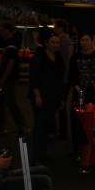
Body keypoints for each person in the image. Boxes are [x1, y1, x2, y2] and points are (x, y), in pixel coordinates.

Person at [28, 29, 66, 163]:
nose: (55, 45)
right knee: (40, 125)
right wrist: (37, 95)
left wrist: (61, 98)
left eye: (57, 43)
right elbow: (34, 78)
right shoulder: (39, 58)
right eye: (53, 42)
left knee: (48, 125)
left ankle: (42, 152)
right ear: (46, 43)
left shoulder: (59, 58)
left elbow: (60, 80)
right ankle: (36, 154)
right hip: (40, 96)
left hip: (53, 96)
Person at [0, 24, 28, 136]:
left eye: (1, 31)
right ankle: (3, 126)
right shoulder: (10, 43)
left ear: (7, 31)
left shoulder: (10, 44)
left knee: (10, 101)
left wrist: (3, 78)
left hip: (9, 78)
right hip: (9, 78)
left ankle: (21, 126)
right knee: (0, 100)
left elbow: (10, 62)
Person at [53, 20, 73, 141]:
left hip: (62, 78)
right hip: (66, 77)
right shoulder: (68, 41)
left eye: (55, 26)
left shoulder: (62, 42)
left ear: (60, 28)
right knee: (62, 104)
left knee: (60, 104)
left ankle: (62, 131)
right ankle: (62, 131)